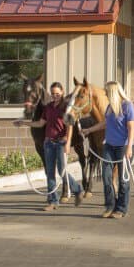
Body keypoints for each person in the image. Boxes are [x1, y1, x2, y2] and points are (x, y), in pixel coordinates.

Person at [14, 81, 83, 212]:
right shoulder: (48, 107)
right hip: (48, 143)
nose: (55, 96)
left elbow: (70, 126)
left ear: (62, 92)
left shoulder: (66, 107)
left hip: (60, 143)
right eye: (53, 94)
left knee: (62, 170)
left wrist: (68, 142)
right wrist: (23, 123)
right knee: (50, 173)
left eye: (57, 93)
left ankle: (77, 189)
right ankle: (53, 201)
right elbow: (41, 123)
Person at [83, 81, 134, 219]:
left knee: (123, 180)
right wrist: (89, 130)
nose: (105, 94)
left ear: (113, 92)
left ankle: (121, 209)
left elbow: (131, 128)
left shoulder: (127, 106)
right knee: (107, 177)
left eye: (107, 92)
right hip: (109, 146)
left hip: (123, 147)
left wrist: (129, 147)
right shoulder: (109, 107)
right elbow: (105, 123)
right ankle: (110, 206)